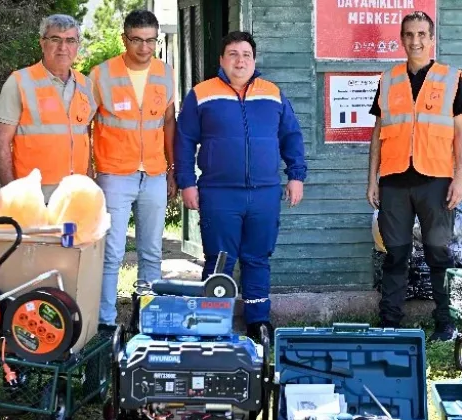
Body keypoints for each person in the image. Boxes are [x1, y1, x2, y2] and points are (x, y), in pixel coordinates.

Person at [175, 31, 307, 344]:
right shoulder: (202, 94)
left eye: (246, 54)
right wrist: (186, 183)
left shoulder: (272, 93)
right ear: (221, 60)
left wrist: (296, 175)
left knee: (258, 257)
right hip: (219, 193)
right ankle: (212, 320)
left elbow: (291, 136)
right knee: (219, 259)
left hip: (264, 192)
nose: (240, 60)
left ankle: (258, 321)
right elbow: (183, 141)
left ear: (254, 60)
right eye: (233, 54)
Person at [366, 11, 462, 341]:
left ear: (431, 38)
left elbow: (460, 132)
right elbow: (377, 133)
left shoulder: (450, 78)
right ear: (401, 39)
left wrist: (459, 178)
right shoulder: (388, 80)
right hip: (394, 179)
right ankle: (390, 323)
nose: (415, 41)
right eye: (409, 34)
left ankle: (444, 323)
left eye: (422, 34)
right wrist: (372, 180)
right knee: (395, 254)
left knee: (438, 253)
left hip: (436, 179)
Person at [89, 10, 177, 331]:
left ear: (157, 40)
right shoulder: (101, 75)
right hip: (114, 175)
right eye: (137, 40)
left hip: (153, 174)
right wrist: (89, 171)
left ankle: (149, 323)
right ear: (124, 38)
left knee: (152, 254)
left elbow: (168, 122)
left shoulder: (165, 73)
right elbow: (83, 124)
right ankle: (106, 324)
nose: (144, 47)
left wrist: (172, 168)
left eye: (150, 40)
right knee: (111, 253)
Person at [0, 14, 95, 203]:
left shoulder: (85, 85)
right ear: (42, 43)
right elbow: (1, 143)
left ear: (77, 45)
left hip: (76, 196)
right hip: (33, 196)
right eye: (55, 39)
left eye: (70, 40)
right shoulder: (19, 82)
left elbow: (84, 138)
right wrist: (11, 193)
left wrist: (89, 182)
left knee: (72, 235)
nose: (63, 48)